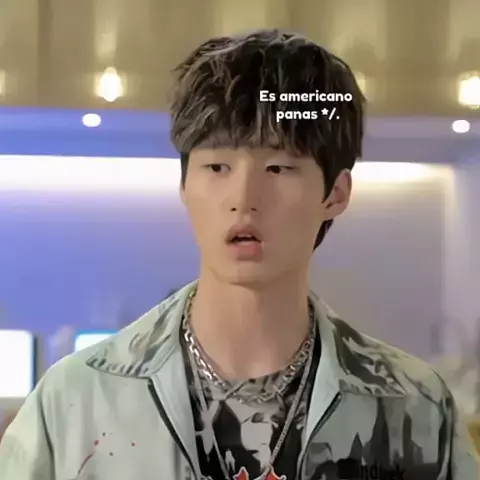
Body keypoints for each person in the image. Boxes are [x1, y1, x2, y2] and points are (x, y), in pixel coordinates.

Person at [0, 29, 478, 480]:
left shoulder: (412, 407)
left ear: (335, 193)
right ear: (184, 184)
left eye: (279, 167)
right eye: (216, 166)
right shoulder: (77, 399)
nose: (244, 198)